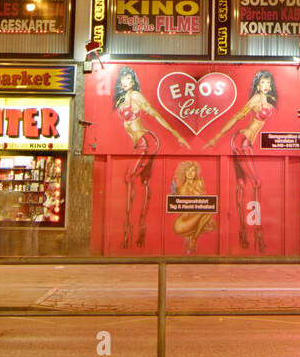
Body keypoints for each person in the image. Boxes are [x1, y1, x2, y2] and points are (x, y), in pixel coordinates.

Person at [114, 66, 191, 249]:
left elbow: (155, 115)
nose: (126, 83)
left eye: (130, 80)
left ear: (134, 82)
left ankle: (129, 228)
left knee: (129, 178)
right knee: (144, 182)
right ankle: (141, 227)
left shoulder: (136, 97)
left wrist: (176, 134)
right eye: (124, 79)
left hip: (144, 142)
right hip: (141, 142)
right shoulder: (123, 99)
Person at [204, 70, 277, 252]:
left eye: (268, 83)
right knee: (256, 182)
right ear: (257, 86)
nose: (265, 86)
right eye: (262, 83)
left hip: (244, 142)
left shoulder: (268, 101)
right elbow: (237, 117)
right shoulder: (255, 100)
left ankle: (243, 232)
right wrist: (217, 137)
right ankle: (256, 232)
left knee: (241, 184)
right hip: (242, 141)